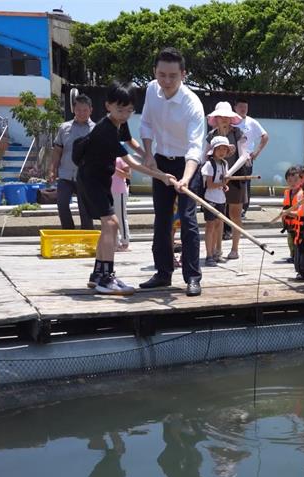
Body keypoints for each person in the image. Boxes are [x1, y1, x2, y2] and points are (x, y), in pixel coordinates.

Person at [78, 82, 178, 296]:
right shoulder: (106, 130)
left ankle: (97, 275)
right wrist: (162, 176)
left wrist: (148, 155)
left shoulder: (118, 123)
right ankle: (106, 278)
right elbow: (130, 163)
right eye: (120, 109)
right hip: (90, 180)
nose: (124, 115)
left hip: (101, 178)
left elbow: (130, 141)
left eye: (129, 111)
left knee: (109, 225)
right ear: (108, 106)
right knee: (112, 224)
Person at [138, 47, 208, 296]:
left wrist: (186, 179)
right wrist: (148, 154)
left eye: (172, 76)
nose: (166, 81)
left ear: (183, 75)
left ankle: (192, 277)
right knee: (162, 219)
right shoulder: (150, 90)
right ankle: (163, 273)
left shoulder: (193, 105)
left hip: (187, 165)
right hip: (160, 162)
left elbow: (195, 148)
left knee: (188, 220)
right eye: (161, 74)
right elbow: (145, 123)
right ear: (155, 72)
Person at [206, 101, 248, 260]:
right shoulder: (211, 135)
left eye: (226, 116)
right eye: (220, 117)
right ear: (215, 119)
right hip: (216, 180)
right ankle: (217, 249)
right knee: (217, 215)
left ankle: (235, 248)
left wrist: (229, 172)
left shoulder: (238, 133)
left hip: (236, 177)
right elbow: (205, 155)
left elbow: (244, 155)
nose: (223, 119)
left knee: (235, 213)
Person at [51, 93, 95, 230]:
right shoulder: (64, 128)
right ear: (73, 110)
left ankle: (87, 237)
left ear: (91, 110)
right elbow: (57, 150)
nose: (82, 113)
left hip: (86, 178)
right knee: (62, 204)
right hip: (65, 175)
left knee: (85, 210)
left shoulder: (96, 129)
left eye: (85, 110)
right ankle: (68, 232)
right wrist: (52, 169)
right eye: (78, 110)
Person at [194, 135, 233, 267]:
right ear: (214, 150)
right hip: (210, 199)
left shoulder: (224, 163)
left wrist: (224, 185)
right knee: (210, 226)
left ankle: (217, 252)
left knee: (219, 225)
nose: (222, 151)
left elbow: (222, 182)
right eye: (219, 149)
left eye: (224, 149)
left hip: (221, 198)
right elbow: (210, 185)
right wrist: (222, 184)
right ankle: (209, 255)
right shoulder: (209, 164)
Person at [232, 97, 268, 217]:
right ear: (235, 108)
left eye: (245, 107)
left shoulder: (251, 122)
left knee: (245, 182)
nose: (243, 109)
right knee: (230, 181)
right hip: (230, 156)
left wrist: (256, 152)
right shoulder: (230, 120)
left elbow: (265, 136)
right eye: (241, 107)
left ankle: (243, 208)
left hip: (246, 158)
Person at [280, 165, 304, 262]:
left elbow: (302, 211)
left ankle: (297, 256)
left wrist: (288, 213)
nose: (292, 183)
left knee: (298, 241)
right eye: (290, 181)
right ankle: (293, 255)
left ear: (301, 180)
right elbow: (285, 206)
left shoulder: (303, 194)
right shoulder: (287, 193)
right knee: (290, 240)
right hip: (289, 224)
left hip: (299, 223)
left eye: (295, 180)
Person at [111, 157, 131, 251]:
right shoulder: (101, 157)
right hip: (107, 191)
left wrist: (113, 168)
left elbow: (128, 175)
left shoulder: (120, 158)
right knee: (110, 218)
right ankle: (115, 242)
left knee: (121, 217)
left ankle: (125, 242)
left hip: (119, 191)